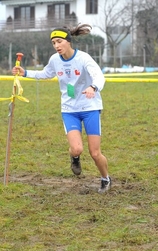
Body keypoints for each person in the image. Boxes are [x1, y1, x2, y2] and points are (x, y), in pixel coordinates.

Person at [11, 24, 111, 193]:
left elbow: (99, 76)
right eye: (53, 43)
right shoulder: (55, 60)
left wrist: (93, 88)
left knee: (95, 153)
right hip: (69, 109)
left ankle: (105, 178)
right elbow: (46, 73)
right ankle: (75, 158)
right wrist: (25, 73)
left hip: (90, 108)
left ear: (68, 41)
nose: (56, 46)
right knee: (77, 148)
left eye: (59, 41)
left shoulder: (84, 58)